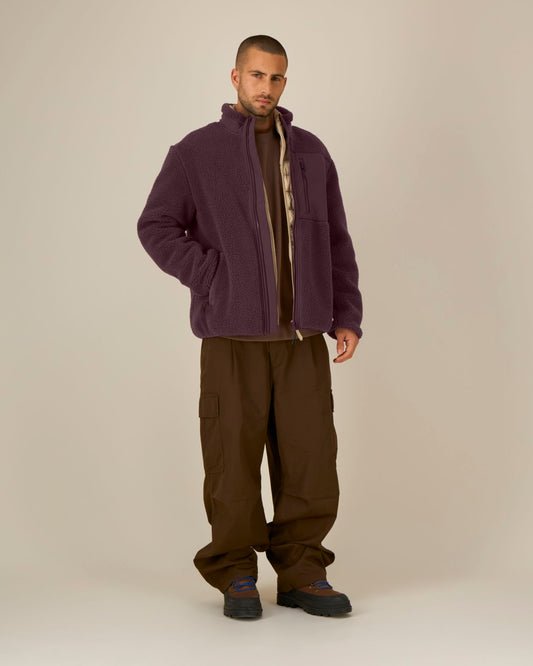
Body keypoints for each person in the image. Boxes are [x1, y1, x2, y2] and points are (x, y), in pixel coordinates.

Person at [137, 34, 363, 619]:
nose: (267, 87)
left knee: (312, 460)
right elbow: (156, 225)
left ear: (285, 82)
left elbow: (336, 239)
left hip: (301, 340)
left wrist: (346, 314)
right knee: (231, 463)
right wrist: (213, 276)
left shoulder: (311, 152)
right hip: (230, 339)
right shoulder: (195, 152)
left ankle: (302, 572)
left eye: (277, 77)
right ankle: (236, 570)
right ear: (235, 77)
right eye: (257, 75)